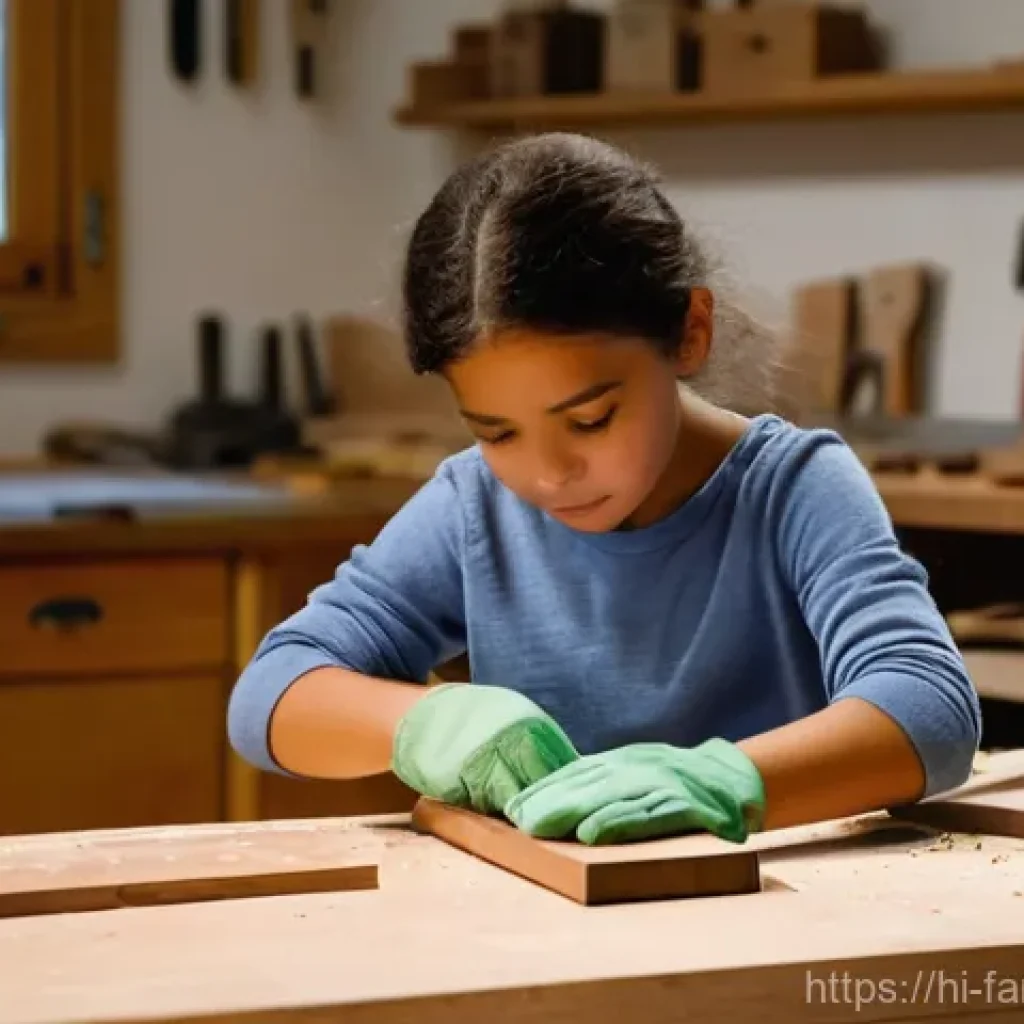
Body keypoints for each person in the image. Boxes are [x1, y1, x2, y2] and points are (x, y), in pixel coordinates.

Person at [227, 132, 981, 846]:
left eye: (590, 420)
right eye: (497, 432)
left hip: (773, 909)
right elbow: (270, 693)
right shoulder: (473, 508)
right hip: (550, 919)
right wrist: (423, 721)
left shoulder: (793, 490)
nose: (548, 475)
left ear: (689, 332)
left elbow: (931, 709)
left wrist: (725, 781)